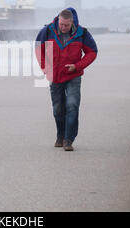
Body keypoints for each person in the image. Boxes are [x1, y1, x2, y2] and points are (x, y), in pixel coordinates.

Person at [35, 8, 98, 151]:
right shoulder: (47, 31)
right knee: (58, 109)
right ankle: (60, 135)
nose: (63, 28)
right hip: (55, 76)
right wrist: (45, 68)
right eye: (61, 24)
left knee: (72, 105)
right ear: (58, 20)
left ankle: (68, 140)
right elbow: (38, 47)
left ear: (72, 23)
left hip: (73, 76)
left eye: (66, 25)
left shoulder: (82, 33)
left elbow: (92, 52)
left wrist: (77, 66)